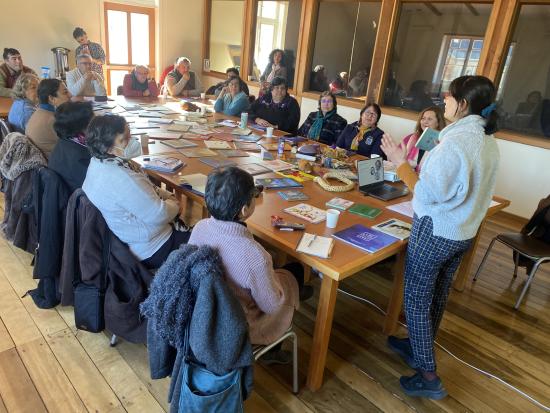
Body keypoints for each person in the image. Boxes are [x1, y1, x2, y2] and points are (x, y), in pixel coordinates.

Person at [380, 75, 500, 400]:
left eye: (448, 97)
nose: (443, 101)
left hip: (436, 230)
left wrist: (400, 163)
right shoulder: (486, 141)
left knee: (417, 299)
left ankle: (428, 374)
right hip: (462, 233)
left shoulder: (457, 144)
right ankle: (416, 347)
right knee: (438, 294)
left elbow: (428, 192)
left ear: (462, 104)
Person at [188, 167, 311, 361]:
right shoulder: (255, 256)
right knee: (294, 271)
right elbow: (271, 306)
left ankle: (295, 292)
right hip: (239, 322)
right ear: (245, 209)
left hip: (205, 310)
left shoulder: (200, 227)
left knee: (277, 269)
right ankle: (272, 349)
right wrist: (279, 287)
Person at [82, 115, 191, 269]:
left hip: (131, 239)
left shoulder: (99, 163)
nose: (131, 142)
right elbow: (159, 214)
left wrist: (167, 196)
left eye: (130, 135)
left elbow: (146, 189)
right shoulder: (121, 177)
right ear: (108, 147)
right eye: (124, 139)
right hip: (153, 247)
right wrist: (175, 204)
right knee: (209, 242)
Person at [49, 101, 94, 192]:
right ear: (81, 126)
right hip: (78, 199)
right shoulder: (79, 156)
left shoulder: (66, 140)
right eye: (93, 122)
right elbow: (95, 186)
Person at [26, 79, 72, 158]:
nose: (70, 95)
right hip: (55, 165)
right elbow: (75, 147)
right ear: (51, 99)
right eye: (65, 92)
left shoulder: (38, 112)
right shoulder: (53, 121)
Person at [399, 106, 445, 170]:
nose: (425, 122)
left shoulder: (443, 141)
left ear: (438, 123)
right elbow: (401, 160)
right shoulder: (412, 137)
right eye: (423, 118)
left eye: (429, 119)